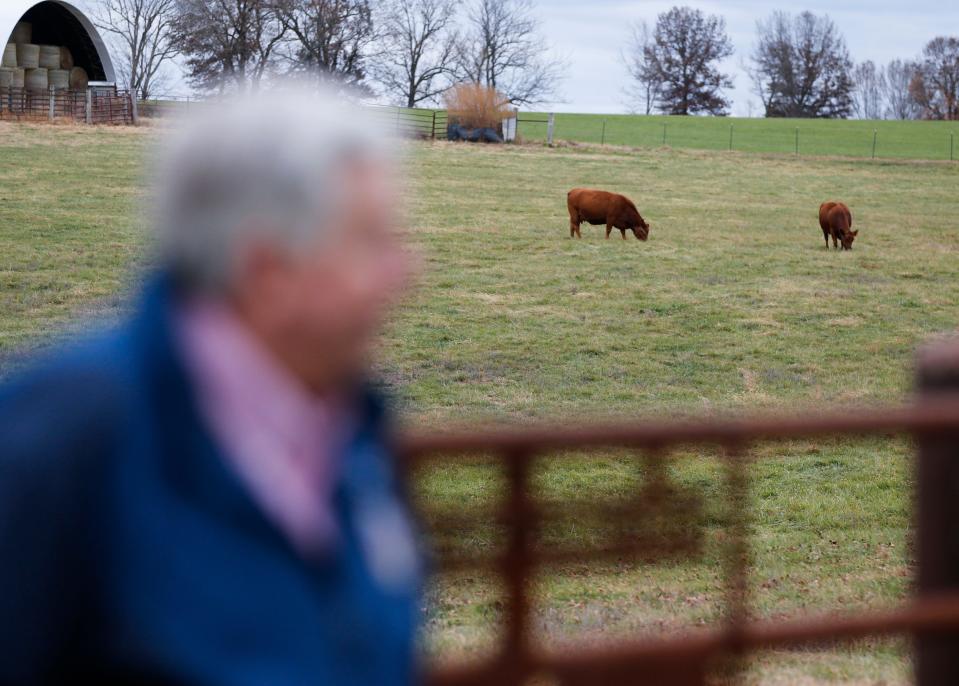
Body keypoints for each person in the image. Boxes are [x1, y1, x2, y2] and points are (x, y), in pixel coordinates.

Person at [0, 88, 420, 684]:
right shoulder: (61, 443)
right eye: (371, 241)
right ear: (267, 268)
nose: (406, 272)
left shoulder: (353, 437)